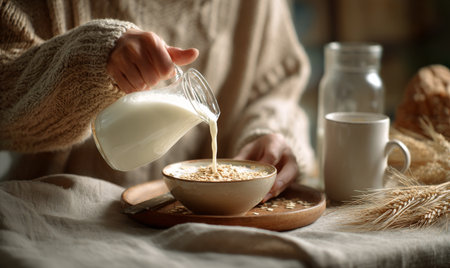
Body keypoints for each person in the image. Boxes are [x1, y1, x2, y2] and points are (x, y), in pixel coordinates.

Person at [0, 0, 314, 202]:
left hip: (196, 234)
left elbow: (275, 89)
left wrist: (271, 133)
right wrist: (90, 60)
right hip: (60, 221)